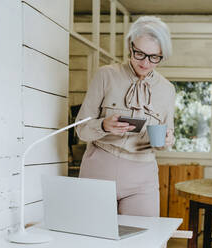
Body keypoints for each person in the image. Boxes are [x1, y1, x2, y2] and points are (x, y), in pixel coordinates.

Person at [75, 16, 175, 217]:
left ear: (162, 55)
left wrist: (168, 140)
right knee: (92, 237)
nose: (145, 63)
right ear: (131, 47)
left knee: (145, 241)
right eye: (139, 54)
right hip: (99, 169)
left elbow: (167, 136)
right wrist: (103, 125)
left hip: (143, 176)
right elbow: (80, 130)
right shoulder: (106, 75)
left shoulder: (167, 89)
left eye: (154, 57)